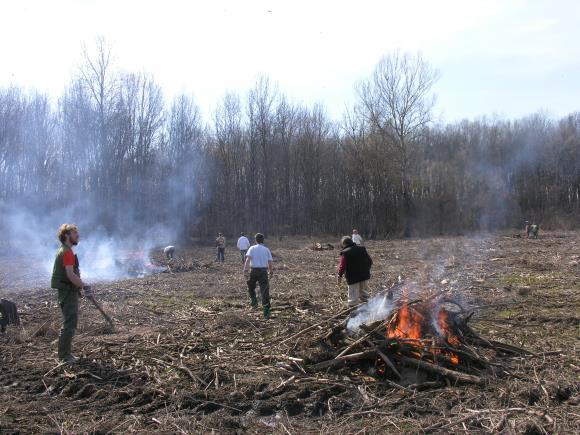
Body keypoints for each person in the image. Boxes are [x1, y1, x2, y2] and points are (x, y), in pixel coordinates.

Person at [50, 224, 92, 363]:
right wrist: (84, 285)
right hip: (68, 292)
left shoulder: (62, 250)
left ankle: (65, 354)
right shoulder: (67, 252)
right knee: (69, 323)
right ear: (67, 235)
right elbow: (70, 275)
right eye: (75, 233)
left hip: (66, 291)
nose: (77, 236)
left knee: (69, 321)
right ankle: (64, 356)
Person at [243, 233, 273, 318]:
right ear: (263, 240)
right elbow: (270, 262)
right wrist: (271, 272)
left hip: (254, 271)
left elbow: (248, 260)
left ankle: (254, 301)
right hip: (263, 272)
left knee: (250, 286)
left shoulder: (252, 248)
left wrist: (245, 270)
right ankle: (266, 312)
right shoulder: (266, 249)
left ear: (256, 240)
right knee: (265, 291)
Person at [337, 236, 373, 307]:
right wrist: (366, 270)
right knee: (364, 295)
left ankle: (353, 311)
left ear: (344, 244)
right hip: (364, 275)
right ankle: (368, 308)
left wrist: (339, 276)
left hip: (352, 278)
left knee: (353, 299)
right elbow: (370, 261)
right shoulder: (362, 249)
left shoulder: (345, 253)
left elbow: (342, 266)